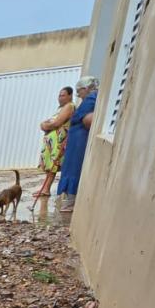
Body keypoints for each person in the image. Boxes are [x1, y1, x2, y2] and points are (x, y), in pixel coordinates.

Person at [55, 76, 99, 213]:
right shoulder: (88, 99)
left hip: (79, 142)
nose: (78, 94)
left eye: (79, 91)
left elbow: (78, 117)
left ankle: (70, 202)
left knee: (73, 168)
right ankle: (69, 200)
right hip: (75, 141)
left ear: (86, 89)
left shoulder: (91, 98)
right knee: (70, 168)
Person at [33, 85, 74, 202]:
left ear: (70, 96)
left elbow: (56, 123)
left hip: (59, 142)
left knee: (53, 166)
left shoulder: (69, 106)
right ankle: (45, 188)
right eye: (59, 95)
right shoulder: (61, 108)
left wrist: (44, 125)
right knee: (50, 166)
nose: (60, 98)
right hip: (53, 142)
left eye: (63, 95)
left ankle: (46, 189)